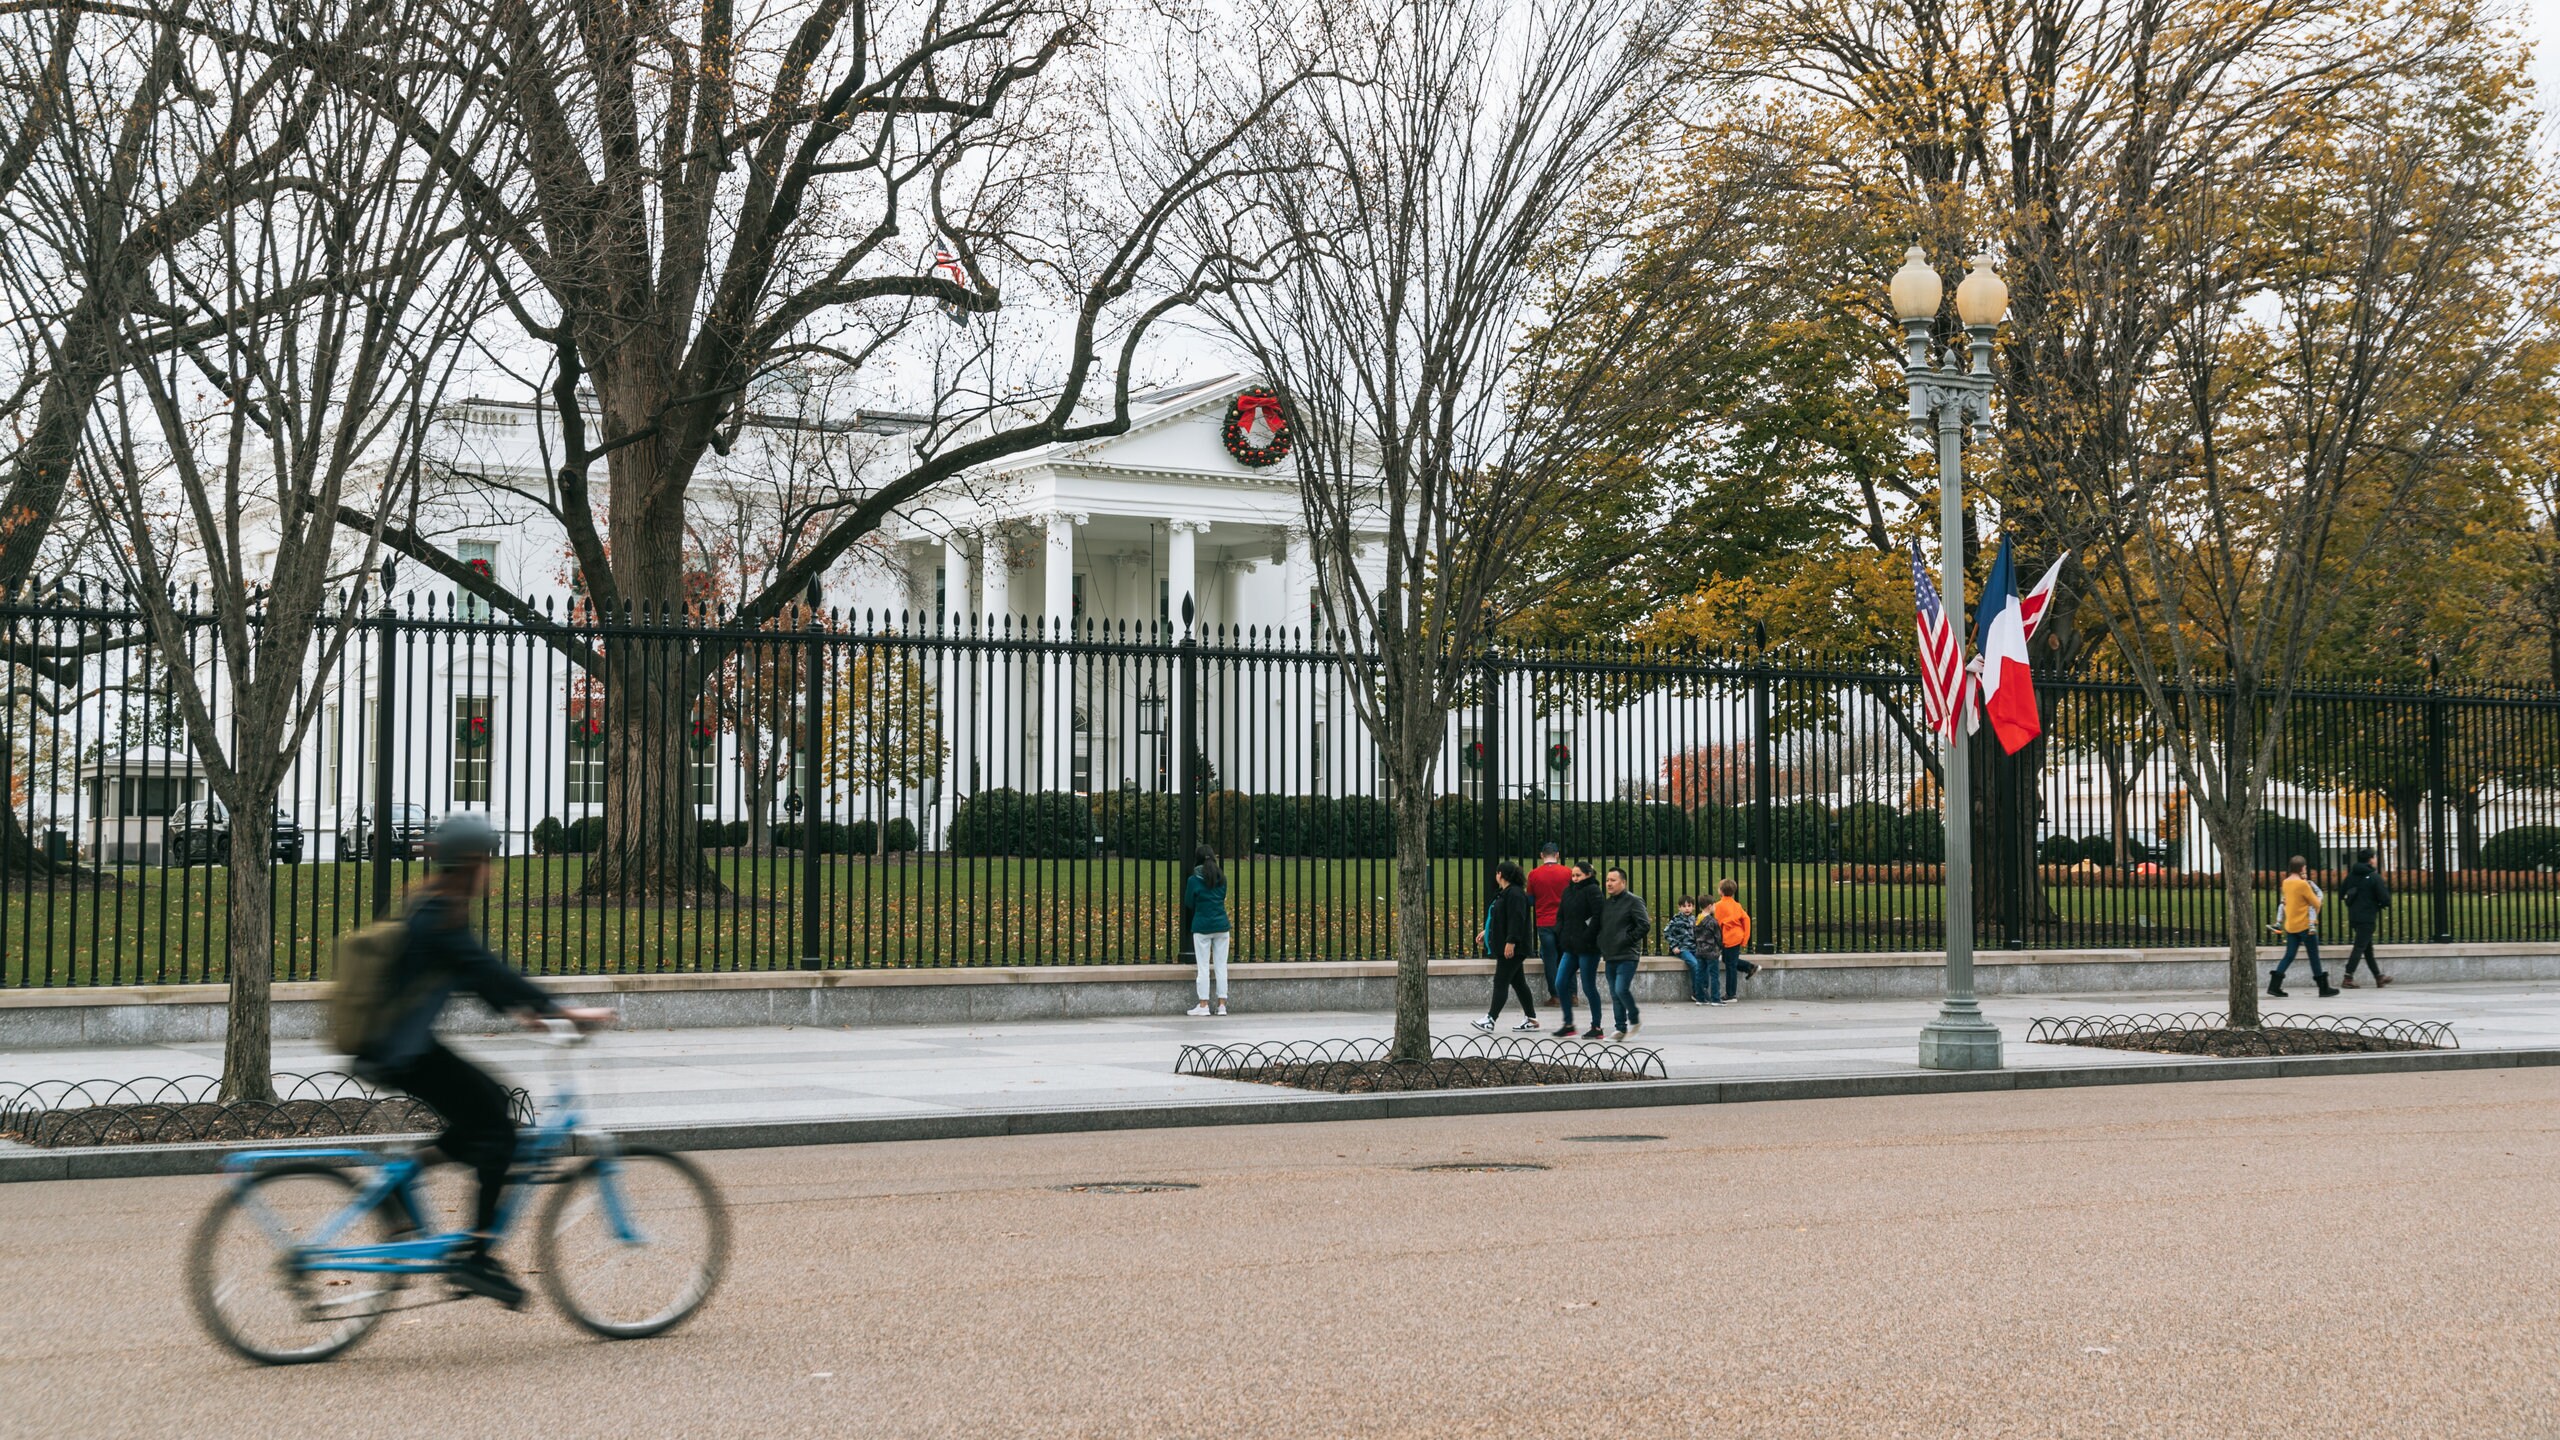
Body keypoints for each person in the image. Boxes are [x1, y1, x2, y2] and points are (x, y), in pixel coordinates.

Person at [356, 814, 613, 1310]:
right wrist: (561, 1011)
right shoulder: (439, 915)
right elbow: (484, 969)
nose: (491, 871)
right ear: (472, 862)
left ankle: (402, 1179)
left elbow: (476, 975)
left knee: (489, 1110)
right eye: (488, 860)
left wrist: (525, 1012)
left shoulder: (435, 906)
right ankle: (475, 1254)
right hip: (397, 1048)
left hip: (396, 1042)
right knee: (497, 1130)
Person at [1473, 863, 1542, 1032]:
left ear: (1500, 874)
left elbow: (1516, 919)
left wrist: (1511, 942)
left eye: (1497, 873)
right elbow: (1501, 918)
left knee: (1501, 980)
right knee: (1518, 983)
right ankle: (1531, 1019)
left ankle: (1490, 1019)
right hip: (1510, 945)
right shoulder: (1506, 894)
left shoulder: (1515, 894)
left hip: (1514, 947)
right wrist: (1487, 932)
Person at [2268, 854, 2337, 999]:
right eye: (2305, 867)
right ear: (2301, 868)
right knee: (2314, 956)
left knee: (2289, 955)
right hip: (2305, 926)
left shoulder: (2286, 882)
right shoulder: (2302, 884)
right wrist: (2318, 900)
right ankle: (2323, 988)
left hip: (2291, 925)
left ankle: (2274, 986)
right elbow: (2316, 903)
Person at [1551, 861, 1605, 1039]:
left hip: (1588, 947)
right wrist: (1560, 931)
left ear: (1588, 875)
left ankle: (1596, 1026)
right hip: (1570, 945)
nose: (1574, 879)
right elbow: (1561, 915)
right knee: (1560, 982)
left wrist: (1587, 935)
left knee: (1588, 986)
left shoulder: (1593, 891)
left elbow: (1598, 917)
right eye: (1573, 876)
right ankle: (1568, 1023)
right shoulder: (1568, 891)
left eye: (1578, 875)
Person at [1598, 867, 1652, 1041]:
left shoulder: (1634, 901)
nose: (1609, 883)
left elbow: (1644, 924)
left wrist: (1627, 939)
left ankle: (1634, 1018)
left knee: (1621, 989)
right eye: (1607, 880)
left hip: (1627, 954)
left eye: (1613, 880)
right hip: (1610, 954)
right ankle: (1620, 1028)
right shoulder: (1607, 904)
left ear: (1623, 882)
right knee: (1614, 993)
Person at [1183, 845, 1232, 1016]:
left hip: (1202, 926)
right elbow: (1222, 897)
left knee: (1203, 966)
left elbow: (1189, 902)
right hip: (1222, 926)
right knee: (1221, 966)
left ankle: (1203, 1004)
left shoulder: (1193, 880)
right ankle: (1222, 1005)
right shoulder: (1221, 878)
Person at [2338, 849, 2392, 988]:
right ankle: (2348, 977)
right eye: (2374, 857)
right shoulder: (2374, 877)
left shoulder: (2351, 876)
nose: (2375, 860)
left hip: (2354, 916)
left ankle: (2378, 977)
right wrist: (2378, 904)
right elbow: (2385, 899)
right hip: (2367, 916)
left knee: (2367, 948)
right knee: (2360, 946)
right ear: (2370, 859)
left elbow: (2341, 892)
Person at [1525, 843, 1570, 1004]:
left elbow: (1530, 899)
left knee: (1550, 959)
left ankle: (1556, 995)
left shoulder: (1534, 874)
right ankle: (1572, 994)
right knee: (1567, 957)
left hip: (1544, 921)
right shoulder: (1567, 872)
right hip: (1564, 921)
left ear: (1541, 855)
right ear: (1557, 855)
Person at [1709, 879, 1755, 1006]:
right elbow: (1746, 919)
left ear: (1721, 891)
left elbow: (1717, 924)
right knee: (1729, 960)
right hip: (1737, 936)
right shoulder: (1737, 905)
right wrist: (1745, 938)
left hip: (1728, 938)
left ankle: (1731, 994)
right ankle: (1749, 967)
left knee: (1730, 966)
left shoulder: (1718, 906)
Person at [1664, 897, 1713, 1005]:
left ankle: (1703, 989)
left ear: (1693, 907)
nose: (1687, 908)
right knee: (1695, 965)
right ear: (1679, 907)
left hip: (1694, 948)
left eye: (1689, 906)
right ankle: (1697, 993)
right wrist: (1674, 946)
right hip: (1683, 948)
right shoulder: (1676, 919)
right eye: (1684, 906)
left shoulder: (1694, 920)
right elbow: (1667, 933)